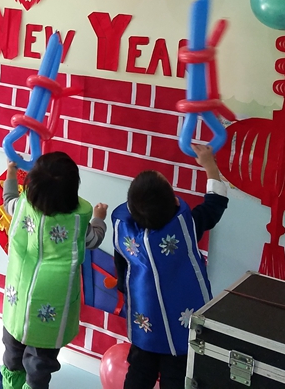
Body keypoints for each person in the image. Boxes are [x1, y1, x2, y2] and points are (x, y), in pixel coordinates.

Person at [112, 145, 228, 389]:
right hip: (180, 330)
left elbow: (122, 268)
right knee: (176, 378)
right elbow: (215, 204)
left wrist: (123, 286)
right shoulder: (185, 228)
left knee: (139, 375)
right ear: (175, 201)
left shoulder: (125, 234)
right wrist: (209, 165)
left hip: (146, 324)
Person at [1, 153, 108, 389]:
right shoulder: (77, 223)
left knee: (12, 353)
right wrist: (99, 219)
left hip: (19, 298)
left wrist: (11, 172)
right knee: (39, 364)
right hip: (51, 303)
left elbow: (8, 200)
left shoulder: (23, 206)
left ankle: (11, 385)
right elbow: (94, 240)